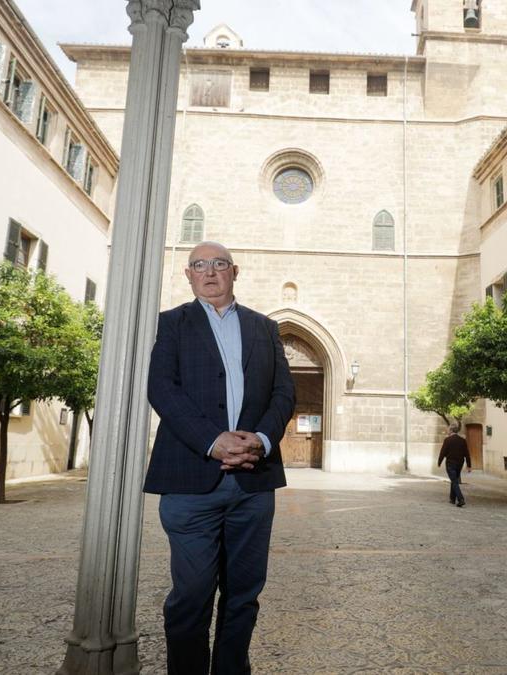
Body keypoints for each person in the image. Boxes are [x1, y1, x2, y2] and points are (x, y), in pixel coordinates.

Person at [144, 241, 296, 674]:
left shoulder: (265, 327)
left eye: (219, 264)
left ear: (235, 271)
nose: (209, 272)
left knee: (243, 595)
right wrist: (213, 441)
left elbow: (284, 392)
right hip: (190, 482)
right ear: (188, 275)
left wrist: (262, 440)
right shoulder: (170, 324)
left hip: (254, 482)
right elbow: (162, 389)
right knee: (191, 596)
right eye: (199, 266)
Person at [437, 422, 472, 507]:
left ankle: (461, 499)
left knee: (454, 481)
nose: (447, 431)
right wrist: (469, 465)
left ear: (451, 430)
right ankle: (452, 499)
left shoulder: (447, 440)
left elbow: (443, 452)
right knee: (454, 479)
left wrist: (439, 462)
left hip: (450, 463)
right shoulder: (462, 440)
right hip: (460, 463)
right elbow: (467, 453)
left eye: (448, 429)